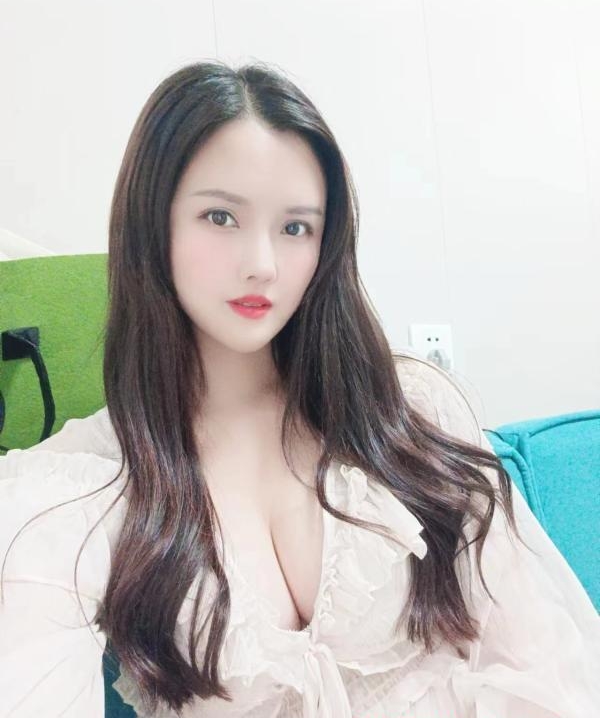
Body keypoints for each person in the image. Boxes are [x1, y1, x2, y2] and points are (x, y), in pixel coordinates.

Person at [1, 61, 598, 718]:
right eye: (220, 216)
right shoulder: (73, 490)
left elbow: (546, 673)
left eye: (295, 228)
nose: (262, 264)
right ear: (152, 222)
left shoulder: (407, 407)